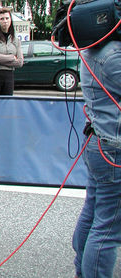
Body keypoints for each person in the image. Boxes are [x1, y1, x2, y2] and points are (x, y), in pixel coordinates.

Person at [72, 40, 121, 278]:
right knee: (108, 228)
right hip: (112, 147)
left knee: (93, 215)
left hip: (99, 142)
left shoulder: (94, 50)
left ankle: (82, 271)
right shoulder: (113, 56)